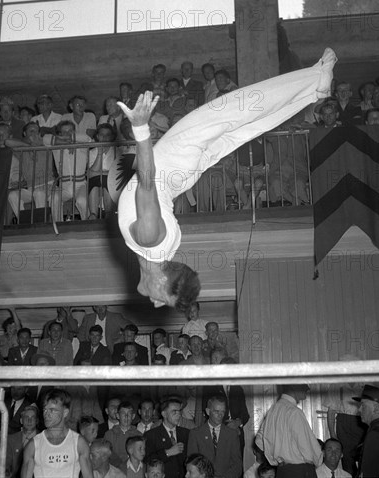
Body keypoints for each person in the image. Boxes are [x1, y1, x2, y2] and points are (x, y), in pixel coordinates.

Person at [116, 48, 336, 311]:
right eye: (161, 299)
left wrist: (167, 289)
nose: (155, 305)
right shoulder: (149, 239)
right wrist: (140, 128)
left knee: (245, 129)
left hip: (182, 175)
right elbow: (146, 181)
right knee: (233, 110)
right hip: (174, 160)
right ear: (163, 277)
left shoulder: (161, 252)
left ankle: (312, 93)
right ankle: (316, 80)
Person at [21, 389, 92, 478]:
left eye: (52, 410)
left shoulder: (79, 443)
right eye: (45, 410)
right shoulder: (33, 445)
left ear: (65, 412)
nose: (47, 414)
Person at [255, 384, 322, 478]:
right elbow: (308, 447)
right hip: (301, 471)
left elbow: (259, 440)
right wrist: (318, 461)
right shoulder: (294, 412)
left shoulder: (273, 411)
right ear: (295, 387)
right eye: (304, 385)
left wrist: (277, 459)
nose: (308, 389)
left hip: (282, 471)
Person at [188, 396, 242, 478]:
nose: (220, 415)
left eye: (223, 411)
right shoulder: (195, 434)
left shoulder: (232, 435)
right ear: (208, 411)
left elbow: (237, 465)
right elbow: (192, 464)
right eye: (216, 411)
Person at [144, 398, 190, 478]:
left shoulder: (186, 433)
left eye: (179, 411)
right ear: (164, 414)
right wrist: (167, 453)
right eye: (174, 411)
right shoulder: (151, 435)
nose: (178, 415)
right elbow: (147, 460)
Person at [5, 404, 39, 478]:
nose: (29, 420)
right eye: (26, 417)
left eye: (32, 418)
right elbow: (7, 464)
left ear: (37, 421)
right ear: (21, 420)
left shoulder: (44, 438)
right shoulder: (11, 439)